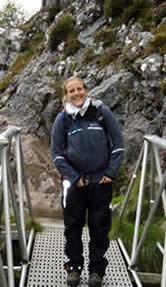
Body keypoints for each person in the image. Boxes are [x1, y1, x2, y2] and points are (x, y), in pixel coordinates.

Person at [51, 76, 124, 287]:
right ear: (66, 95)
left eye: (79, 89)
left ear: (86, 90)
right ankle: (73, 268)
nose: (76, 94)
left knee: (99, 227)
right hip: (75, 184)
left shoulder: (101, 112)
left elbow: (118, 143)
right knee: (72, 226)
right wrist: (74, 178)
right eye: (71, 91)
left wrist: (110, 173)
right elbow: (56, 154)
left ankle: (96, 271)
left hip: (101, 180)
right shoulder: (63, 119)